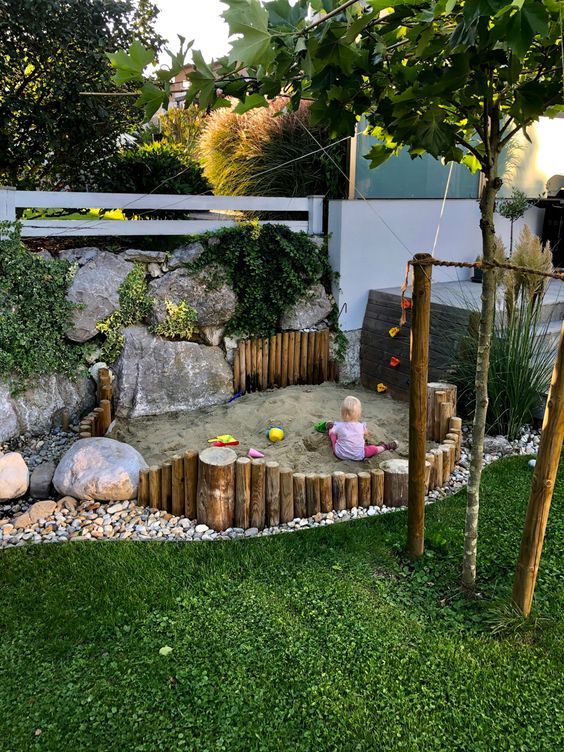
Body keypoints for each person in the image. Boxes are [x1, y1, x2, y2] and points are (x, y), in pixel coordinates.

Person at [328, 395, 397, 461]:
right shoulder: (361, 426)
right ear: (359, 413)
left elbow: (334, 433)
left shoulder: (339, 426)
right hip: (358, 455)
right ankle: (386, 447)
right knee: (372, 449)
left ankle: (329, 426)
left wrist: (332, 429)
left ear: (342, 413)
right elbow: (366, 433)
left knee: (333, 435)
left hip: (341, 454)